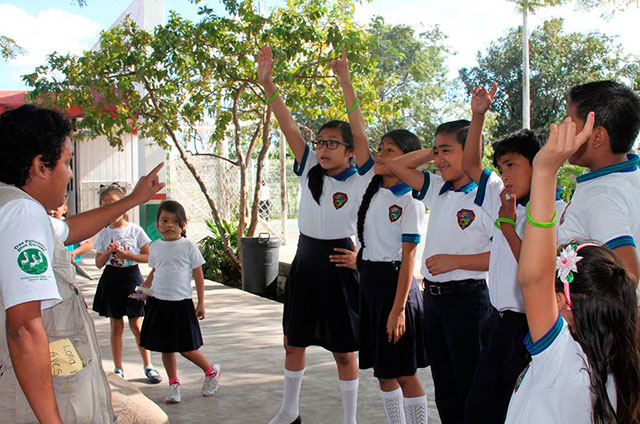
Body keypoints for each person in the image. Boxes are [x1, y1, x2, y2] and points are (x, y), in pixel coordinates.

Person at [0, 104, 167, 423]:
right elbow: (23, 329)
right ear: (40, 166)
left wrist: (133, 199)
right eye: (67, 162)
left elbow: (68, 230)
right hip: (39, 395)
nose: (71, 174)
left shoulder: (13, 206)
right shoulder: (22, 215)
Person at [257, 45, 374, 424]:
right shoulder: (309, 166)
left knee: (344, 351)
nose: (323, 148)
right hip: (305, 262)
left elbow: (359, 129)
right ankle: (289, 411)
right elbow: (288, 126)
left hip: (340, 264)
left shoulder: (361, 178)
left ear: (350, 151)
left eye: (332, 143)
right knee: (293, 342)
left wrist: (346, 81)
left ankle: (349, 420)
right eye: (320, 142)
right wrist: (268, 84)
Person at [506, 113, 640, 423]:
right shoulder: (620, 365)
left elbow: (533, 278)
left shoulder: (561, 359)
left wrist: (545, 171)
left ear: (560, 301)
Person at [461, 83, 566, 423]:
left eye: (511, 165)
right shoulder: (505, 200)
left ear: (539, 165)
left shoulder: (555, 212)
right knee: (479, 409)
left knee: (517, 411)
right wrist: (478, 116)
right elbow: (471, 165)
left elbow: (539, 274)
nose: (504, 175)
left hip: (530, 325)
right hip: (498, 321)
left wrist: (507, 228)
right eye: (501, 168)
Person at [388, 120, 493, 424]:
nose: (440, 159)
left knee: (470, 386)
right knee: (445, 387)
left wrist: (455, 261)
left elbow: (504, 255)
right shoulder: (439, 188)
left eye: (447, 150)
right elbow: (397, 166)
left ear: (470, 152)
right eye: (437, 151)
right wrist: (433, 152)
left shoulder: (486, 195)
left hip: (467, 301)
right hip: (434, 302)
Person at [356, 129, 429, 424]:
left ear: (408, 159)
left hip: (396, 290)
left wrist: (398, 310)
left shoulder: (411, 202)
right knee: (384, 373)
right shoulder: (374, 192)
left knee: (404, 373)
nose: (380, 154)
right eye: (380, 148)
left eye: (390, 150)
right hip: (371, 287)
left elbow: (409, 258)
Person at [135, 199, 220, 404]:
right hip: (159, 303)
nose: (169, 225)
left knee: (187, 348)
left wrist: (201, 302)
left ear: (184, 225)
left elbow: (198, 275)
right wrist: (143, 290)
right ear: (157, 224)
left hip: (181, 304)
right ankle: (174, 384)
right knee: (166, 347)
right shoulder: (155, 246)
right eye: (164, 220)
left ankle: (211, 371)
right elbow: (155, 271)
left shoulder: (188, 246)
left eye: (175, 221)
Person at [558, 80, 640, 284]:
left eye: (569, 124)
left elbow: (628, 274)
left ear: (597, 137)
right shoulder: (628, 179)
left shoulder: (600, 196)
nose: (560, 130)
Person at [93, 182, 162, 384]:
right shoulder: (104, 233)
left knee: (136, 325)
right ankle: (118, 369)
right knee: (116, 326)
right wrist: (107, 252)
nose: (110, 208)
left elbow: (148, 257)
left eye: (114, 203)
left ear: (124, 206)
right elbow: (98, 263)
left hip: (132, 279)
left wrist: (127, 255)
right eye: (105, 205)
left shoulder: (135, 230)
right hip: (111, 280)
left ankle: (148, 365)